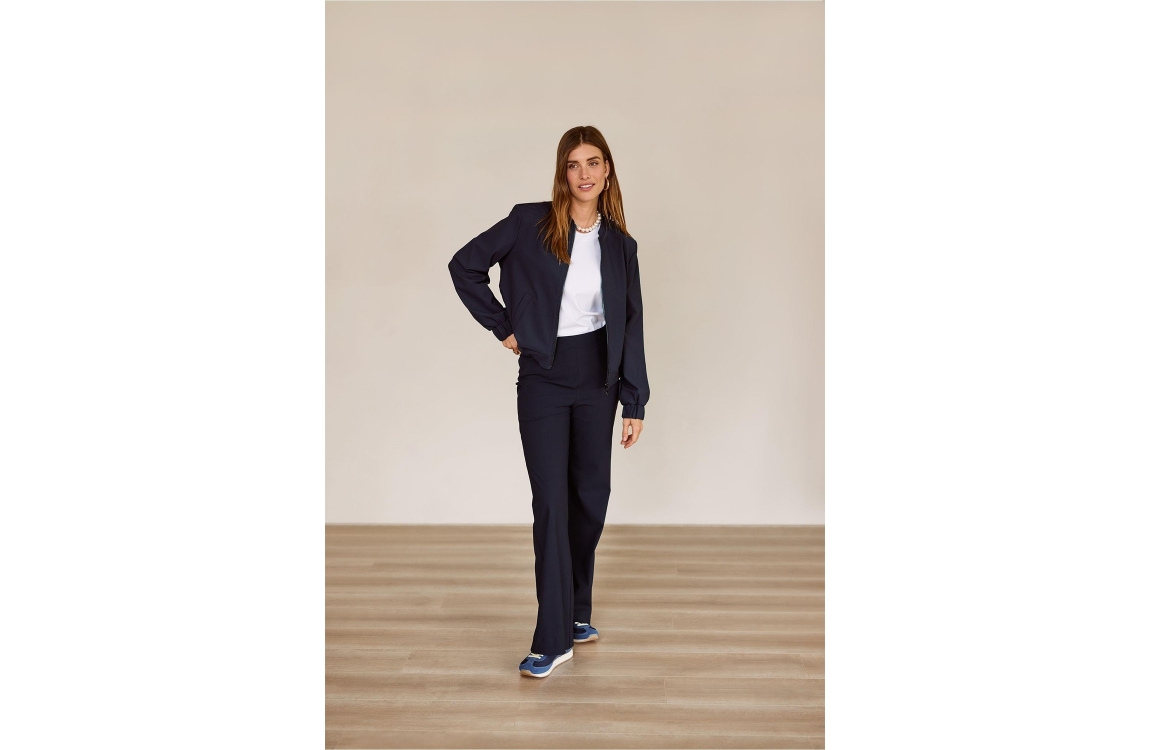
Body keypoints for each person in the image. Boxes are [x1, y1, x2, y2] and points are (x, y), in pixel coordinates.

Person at [447, 125, 650, 678]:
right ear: (563, 172)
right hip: (544, 377)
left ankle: (577, 610)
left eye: (593, 162)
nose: (584, 174)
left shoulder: (621, 246)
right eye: (573, 164)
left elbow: (630, 323)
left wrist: (635, 401)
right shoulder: (528, 222)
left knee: (590, 500)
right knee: (552, 504)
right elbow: (464, 266)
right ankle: (552, 636)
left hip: (599, 381)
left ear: (607, 170)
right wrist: (504, 327)